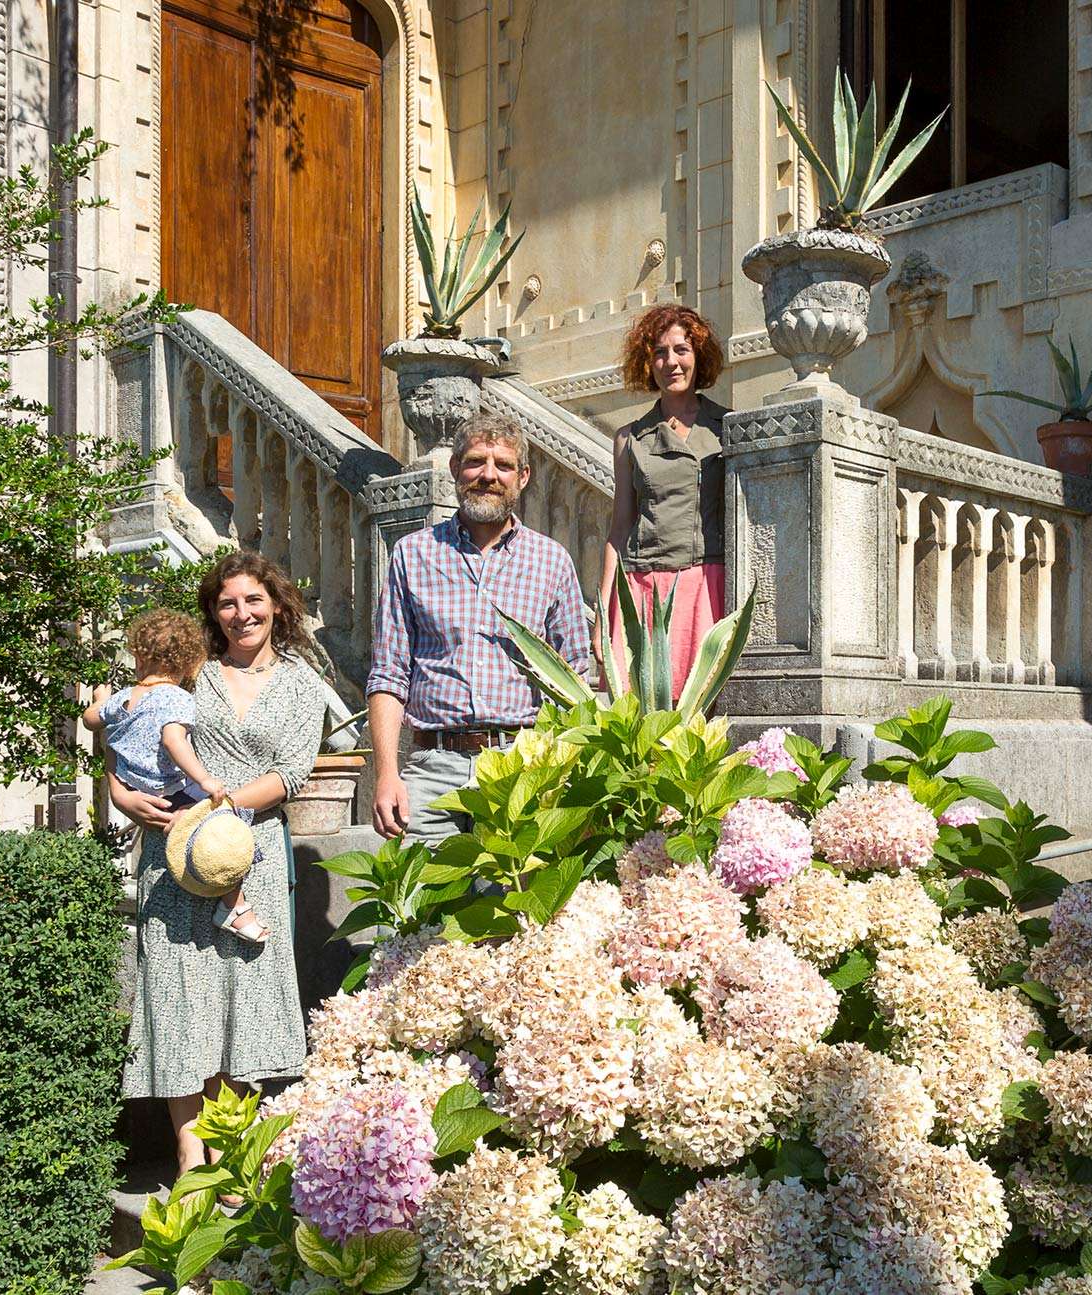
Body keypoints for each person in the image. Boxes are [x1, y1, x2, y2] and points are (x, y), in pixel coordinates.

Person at [108, 551, 323, 1179]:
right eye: (227, 603)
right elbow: (127, 738)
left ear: (277, 606)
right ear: (213, 612)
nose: (241, 613)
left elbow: (290, 776)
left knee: (245, 1000)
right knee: (180, 1000)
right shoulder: (185, 678)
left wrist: (212, 810)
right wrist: (121, 794)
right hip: (173, 861)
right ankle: (189, 1152)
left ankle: (235, 1152)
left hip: (247, 857)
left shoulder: (304, 687)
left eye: (253, 600)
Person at [368, 411, 594, 845]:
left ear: (523, 476)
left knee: (510, 908)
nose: (488, 475)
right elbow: (388, 675)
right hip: (431, 772)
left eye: (503, 465)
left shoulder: (551, 562)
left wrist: (563, 774)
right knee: (418, 908)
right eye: (475, 462)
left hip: (520, 769)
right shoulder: (412, 555)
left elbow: (574, 681)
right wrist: (386, 775)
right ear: (455, 469)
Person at [86, 609, 268, 944]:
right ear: (187, 664)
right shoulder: (176, 698)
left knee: (188, 828)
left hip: (136, 788)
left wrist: (101, 699)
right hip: (171, 787)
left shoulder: (124, 697)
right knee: (230, 824)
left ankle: (197, 863)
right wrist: (206, 780)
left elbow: (90, 720)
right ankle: (233, 904)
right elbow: (174, 741)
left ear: (139, 657)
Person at [600, 304, 730, 697]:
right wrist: (603, 613)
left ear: (698, 357)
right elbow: (619, 526)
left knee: (704, 711)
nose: (670, 361)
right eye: (660, 352)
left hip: (707, 584)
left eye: (681, 350)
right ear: (647, 362)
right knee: (640, 713)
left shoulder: (729, 428)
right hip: (643, 588)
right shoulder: (629, 438)